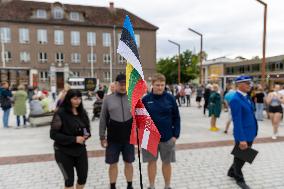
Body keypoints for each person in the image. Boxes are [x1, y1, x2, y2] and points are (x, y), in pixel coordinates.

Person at [142, 73, 180, 189]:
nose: (160, 87)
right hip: (150, 139)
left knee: (167, 163)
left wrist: (175, 135)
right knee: (151, 163)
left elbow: (176, 117)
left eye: (162, 85)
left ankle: (167, 186)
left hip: (167, 138)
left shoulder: (170, 98)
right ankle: (152, 186)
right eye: (157, 85)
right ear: (152, 85)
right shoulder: (145, 100)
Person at [50, 89, 91, 189]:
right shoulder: (60, 113)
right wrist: (74, 139)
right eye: (75, 99)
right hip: (63, 152)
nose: (78, 101)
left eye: (79, 98)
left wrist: (86, 134)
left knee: (82, 178)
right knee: (69, 181)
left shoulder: (82, 112)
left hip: (80, 151)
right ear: (69, 99)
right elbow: (53, 134)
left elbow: (86, 128)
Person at [99, 74, 134, 189]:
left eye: (125, 84)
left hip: (129, 138)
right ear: (116, 84)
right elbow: (103, 119)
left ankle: (129, 185)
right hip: (113, 139)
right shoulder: (108, 99)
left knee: (129, 163)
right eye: (121, 84)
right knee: (112, 164)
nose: (123, 86)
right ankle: (112, 186)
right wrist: (102, 137)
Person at [227, 76, 258, 189]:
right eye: (247, 83)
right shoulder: (236, 99)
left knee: (241, 155)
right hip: (243, 134)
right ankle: (239, 179)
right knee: (241, 157)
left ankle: (231, 171)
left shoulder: (246, 97)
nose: (249, 85)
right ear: (239, 84)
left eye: (249, 83)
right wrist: (241, 139)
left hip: (250, 132)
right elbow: (237, 122)